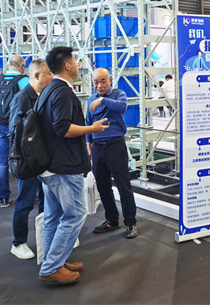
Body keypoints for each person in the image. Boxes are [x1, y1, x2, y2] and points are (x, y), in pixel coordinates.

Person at [37, 46, 108, 285]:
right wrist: (92, 129)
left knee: (53, 216)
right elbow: (63, 128)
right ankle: (51, 267)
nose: (78, 64)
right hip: (64, 166)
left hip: (50, 165)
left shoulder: (49, 90)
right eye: (75, 60)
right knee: (75, 214)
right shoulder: (62, 92)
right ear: (67, 65)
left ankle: (55, 261)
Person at [86, 68, 138, 239]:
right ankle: (112, 220)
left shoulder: (118, 94)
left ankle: (130, 223)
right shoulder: (91, 99)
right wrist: (88, 144)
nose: (99, 85)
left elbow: (122, 106)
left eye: (103, 81)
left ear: (110, 80)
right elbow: (88, 121)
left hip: (116, 146)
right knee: (103, 187)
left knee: (123, 186)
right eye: (96, 82)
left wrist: (102, 100)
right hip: (97, 147)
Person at [9, 59, 53, 260]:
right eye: (48, 73)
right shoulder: (22, 98)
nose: (51, 77)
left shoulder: (43, 95)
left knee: (46, 200)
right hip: (28, 161)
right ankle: (18, 243)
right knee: (25, 202)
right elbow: (14, 132)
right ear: (36, 75)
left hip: (42, 158)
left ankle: (45, 237)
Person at [0, 55, 29, 207]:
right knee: (22, 160)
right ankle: (24, 196)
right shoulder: (25, 81)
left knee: (1, 162)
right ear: (22, 66)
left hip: (0, 125)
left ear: (8, 65)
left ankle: (3, 197)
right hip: (19, 126)